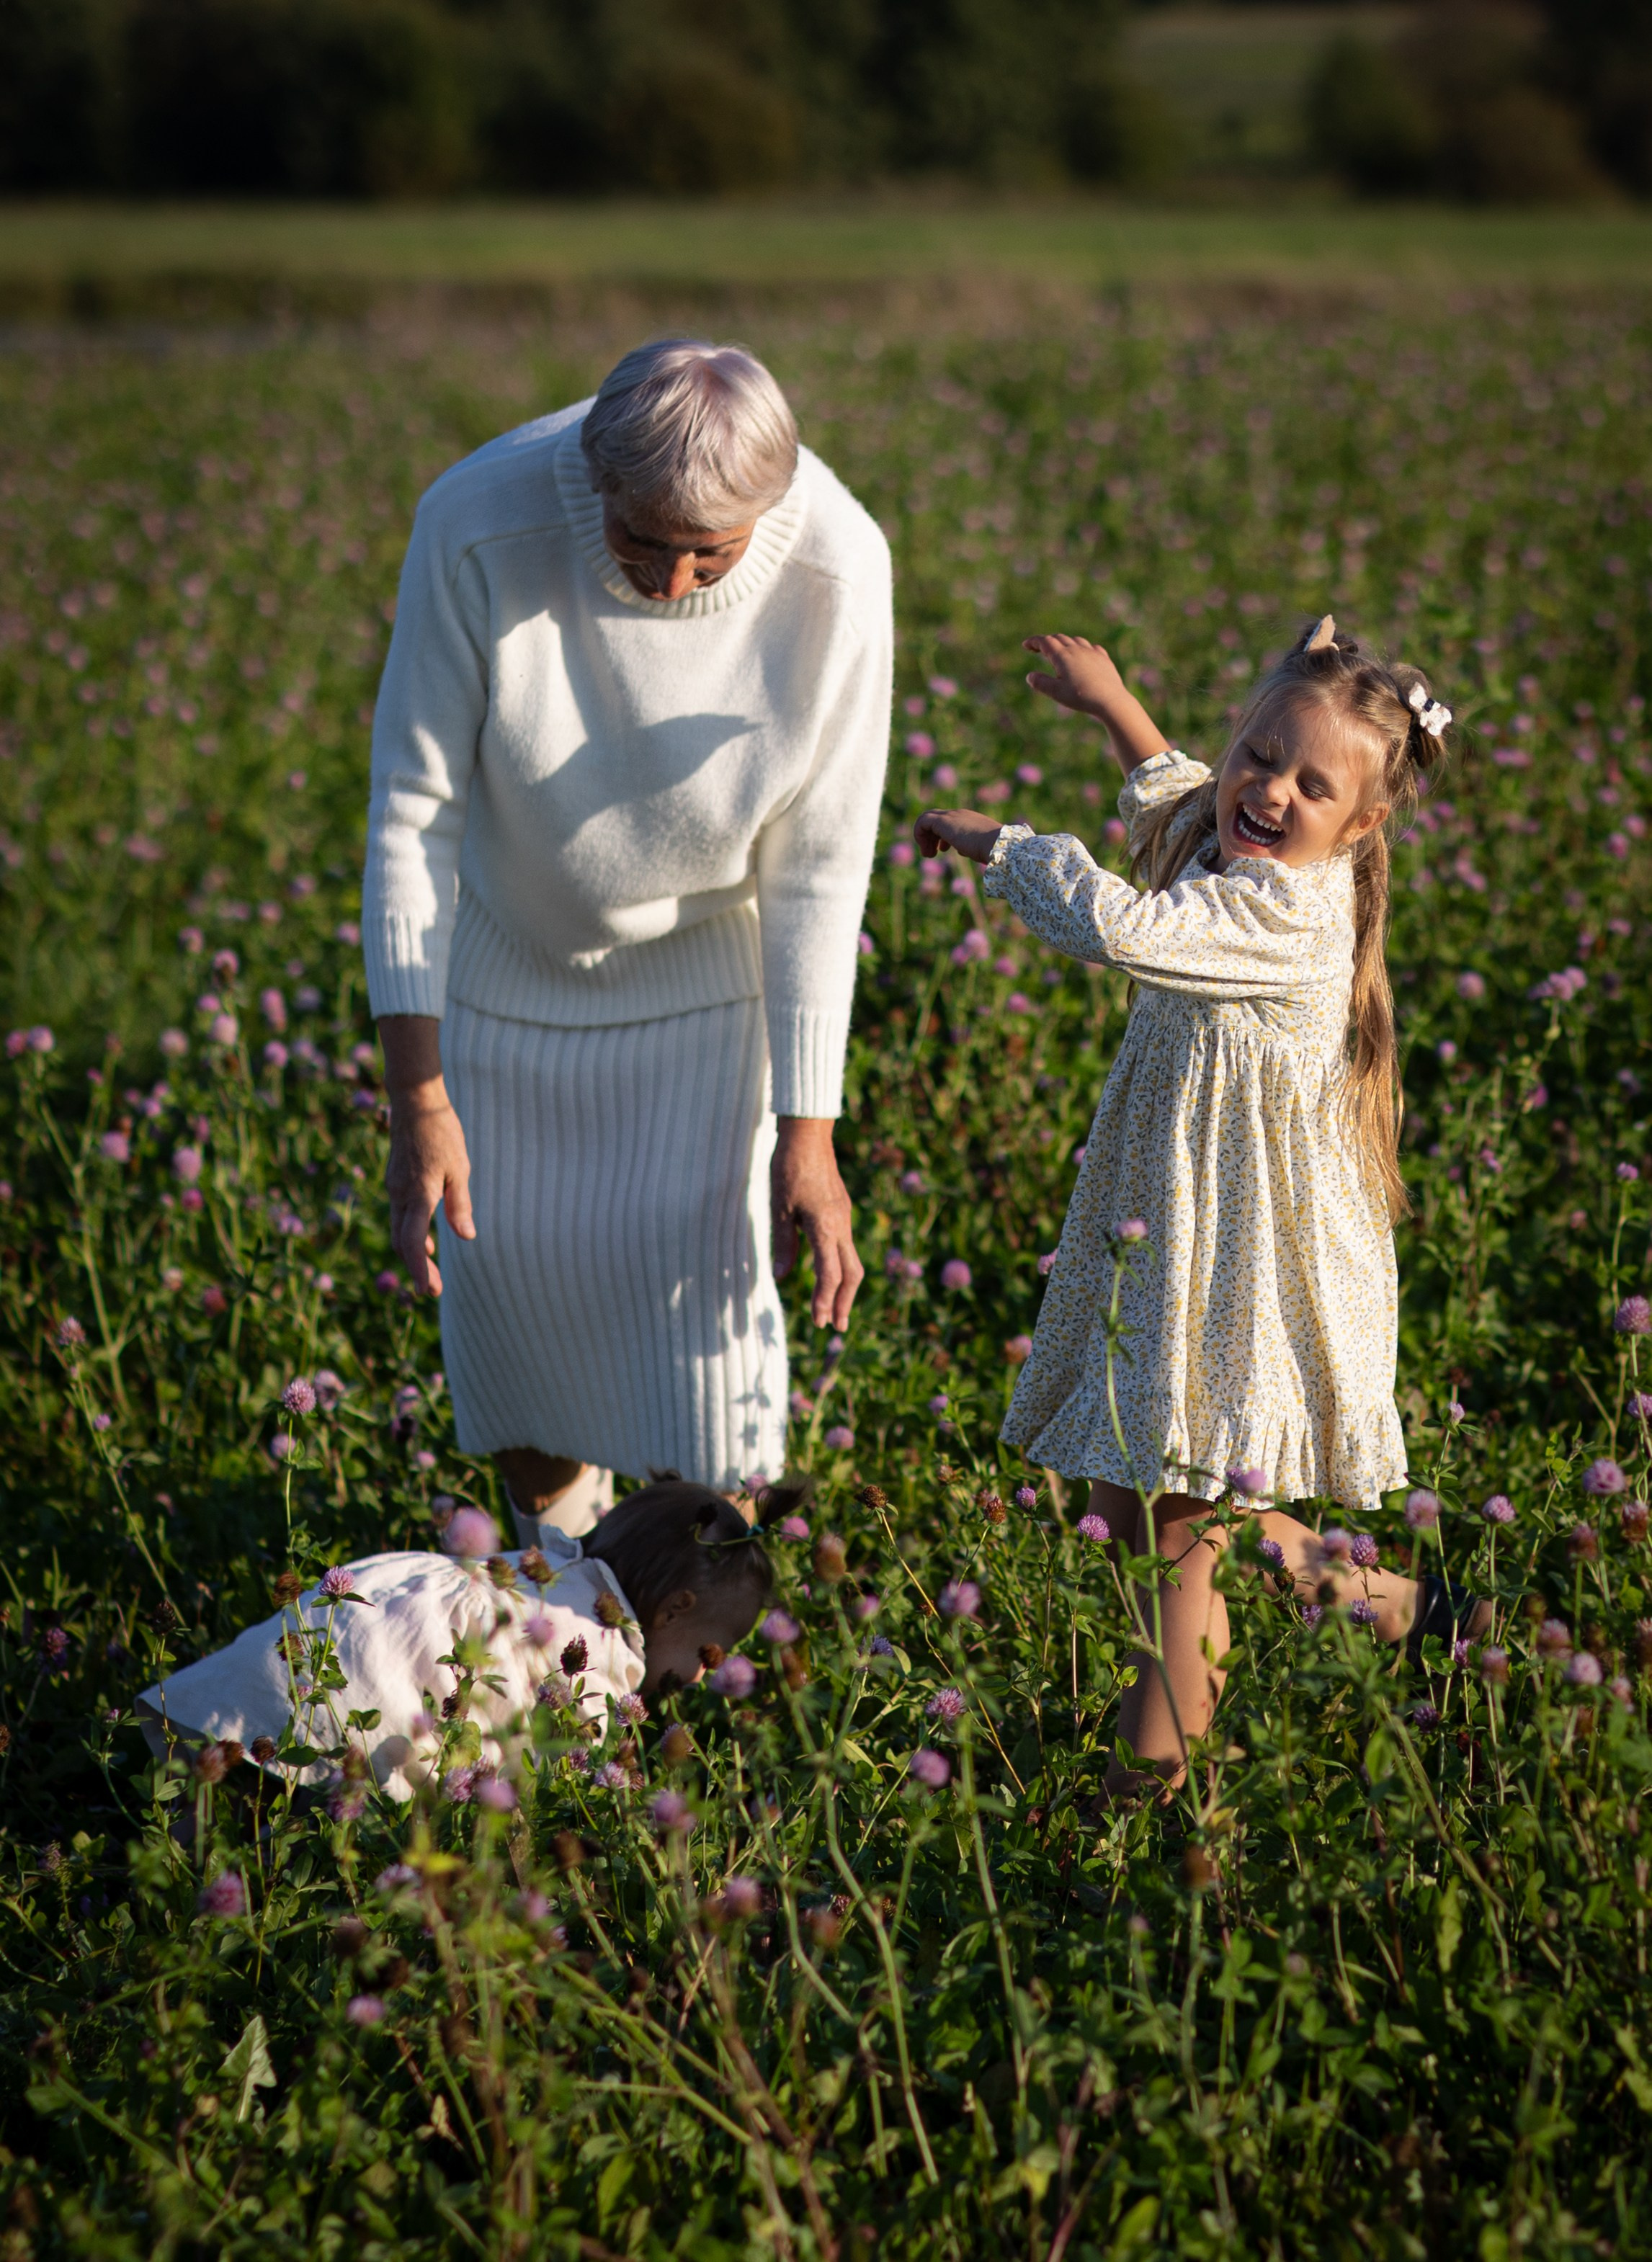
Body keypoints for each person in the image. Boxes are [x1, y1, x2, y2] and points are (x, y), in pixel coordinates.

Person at [916, 617, 1488, 1797]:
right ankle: (1380, 1597)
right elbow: (1186, 806)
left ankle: (1151, 1816)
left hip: (1240, 1269)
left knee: (1174, 1531)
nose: (1267, 789)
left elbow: (1119, 925)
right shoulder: (1250, 847)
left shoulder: (1275, 916)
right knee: (1131, 1507)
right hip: (1181, 1234)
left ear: (1363, 822)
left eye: (1308, 782)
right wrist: (1113, 702)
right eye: (1258, 753)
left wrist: (996, 841)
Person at [362, 339, 892, 1540]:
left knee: (713, 1388)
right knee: (517, 1349)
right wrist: (419, 1096)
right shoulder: (476, 521)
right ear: (594, 481)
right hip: (503, 997)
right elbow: (413, 812)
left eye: (709, 552)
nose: (669, 580)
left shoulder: (840, 566)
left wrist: (808, 1138)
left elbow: (819, 868)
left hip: (711, 1011)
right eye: (640, 540)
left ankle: (674, 1654)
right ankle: (563, 1615)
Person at [138, 1479, 779, 1798]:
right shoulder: (604, 1660)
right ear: (673, 1611)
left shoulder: (551, 1566)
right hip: (368, 1709)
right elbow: (547, 1774)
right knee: (327, 1798)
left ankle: (197, 1772)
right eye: (706, 1652)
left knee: (222, 1781)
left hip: (357, 1625)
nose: (704, 1675)